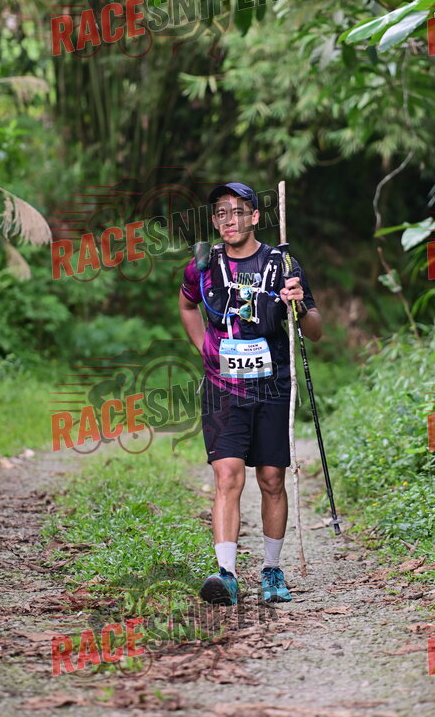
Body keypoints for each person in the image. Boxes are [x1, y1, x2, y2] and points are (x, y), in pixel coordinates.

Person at [178, 182, 322, 606]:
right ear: (215, 221)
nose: (230, 220)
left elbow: (315, 330)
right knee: (227, 476)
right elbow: (187, 305)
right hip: (222, 388)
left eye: (239, 211)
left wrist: (298, 303)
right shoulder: (203, 265)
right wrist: (204, 348)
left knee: (272, 479)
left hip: (273, 385)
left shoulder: (282, 264)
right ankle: (225, 575)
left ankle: (272, 570)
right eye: (222, 213)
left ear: (256, 217)